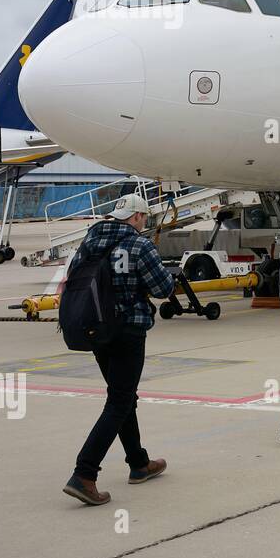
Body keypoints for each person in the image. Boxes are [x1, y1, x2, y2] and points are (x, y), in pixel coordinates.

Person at [62, 193, 174, 507]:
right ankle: (84, 473)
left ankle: (139, 463)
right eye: (144, 218)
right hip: (128, 330)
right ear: (138, 217)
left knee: (122, 396)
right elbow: (163, 290)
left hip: (97, 329)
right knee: (120, 400)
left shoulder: (88, 243)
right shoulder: (139, 245)